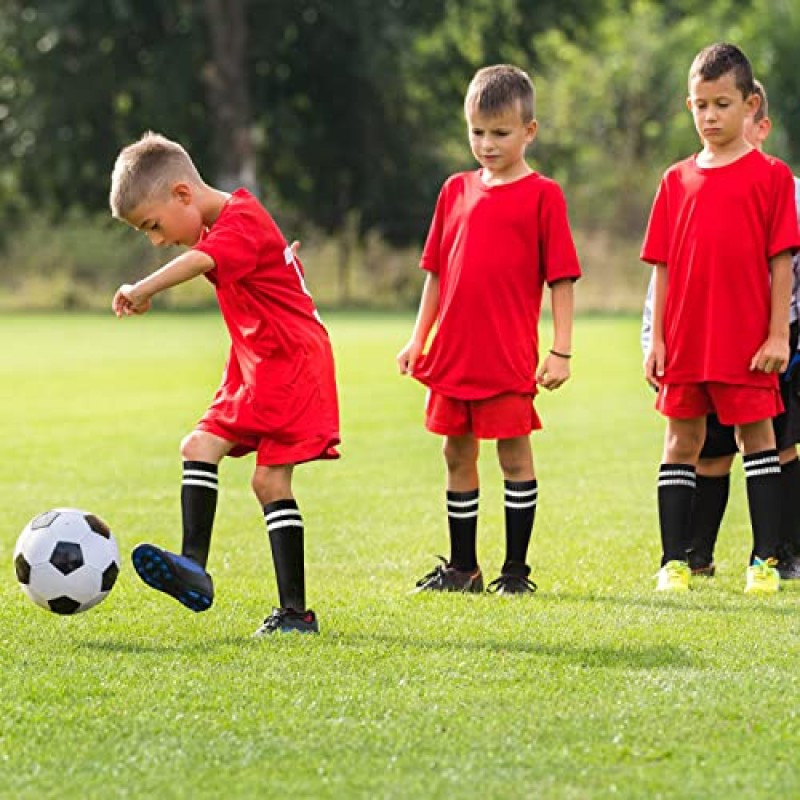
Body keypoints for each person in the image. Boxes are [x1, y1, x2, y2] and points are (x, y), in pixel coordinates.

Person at [109, 132, 340, 635]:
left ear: (183, 195)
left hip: (291, 363)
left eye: (153, 225)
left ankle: (296, 614)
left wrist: (141, 287)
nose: (156, 239)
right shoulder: (232, 223)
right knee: (197, 446)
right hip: (257, 362)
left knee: (269, 481)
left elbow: (200, 260)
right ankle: (193, 567)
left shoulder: (237, 220)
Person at [397, 64, 581, 595]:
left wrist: (561, 350)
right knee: (456, 453)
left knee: (514, 454)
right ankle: (463, 568)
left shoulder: (544, 195)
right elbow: (435, 274)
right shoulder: (454, 190)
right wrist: (417, 338)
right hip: (453, 354)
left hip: (506, 355)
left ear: (529, 131)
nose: (487, 143)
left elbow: (562, 279)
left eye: (500, 133)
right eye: (477, 132)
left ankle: (515, 572)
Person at [642, 43, 800, 594]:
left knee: (756, 439)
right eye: (700, 105)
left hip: (747, 341)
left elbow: (782, 264)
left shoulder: (773, 177)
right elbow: (661, 268)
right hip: (685, 341)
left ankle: (763, 561)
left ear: (750, 104)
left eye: (722, 104)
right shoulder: (674, 180)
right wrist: (656, 339)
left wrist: (778, 332)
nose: (709, 117)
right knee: (680, 442)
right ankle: (674, 561)